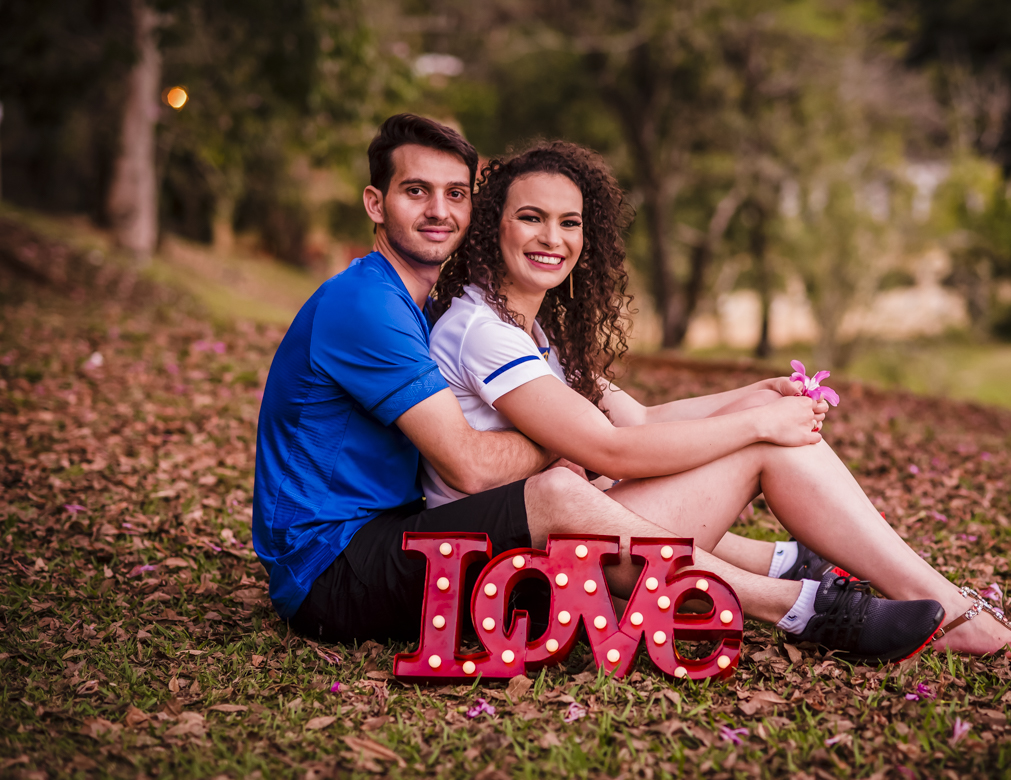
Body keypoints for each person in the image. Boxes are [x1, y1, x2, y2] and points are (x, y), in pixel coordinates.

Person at [251, 113, 952, 664]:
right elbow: (470, 460)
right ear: (375, 203)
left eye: (454, 193)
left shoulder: (439, 306)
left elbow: (630, 421)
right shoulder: (375, 305)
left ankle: (869, 587)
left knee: (587, 477)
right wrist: (573, 449)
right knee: (566, 487)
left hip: (401, 537)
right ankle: (802, 604)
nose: (439, 210)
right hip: (331, 570)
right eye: (415, 191)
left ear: (473, 206)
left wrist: (749, 402)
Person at [427, 140, 1011, 657]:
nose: (554, 238)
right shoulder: (482, 331)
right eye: (531, 217)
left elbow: (640, 418)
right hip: (519, 570)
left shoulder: (527, 331)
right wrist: (761, 424)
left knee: (774, 442)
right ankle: (949, 614)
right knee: (776, 451)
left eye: (570, 222)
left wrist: (755, 395)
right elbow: (614, 449)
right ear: (493, 227)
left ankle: (936, 602)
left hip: (560, 539)